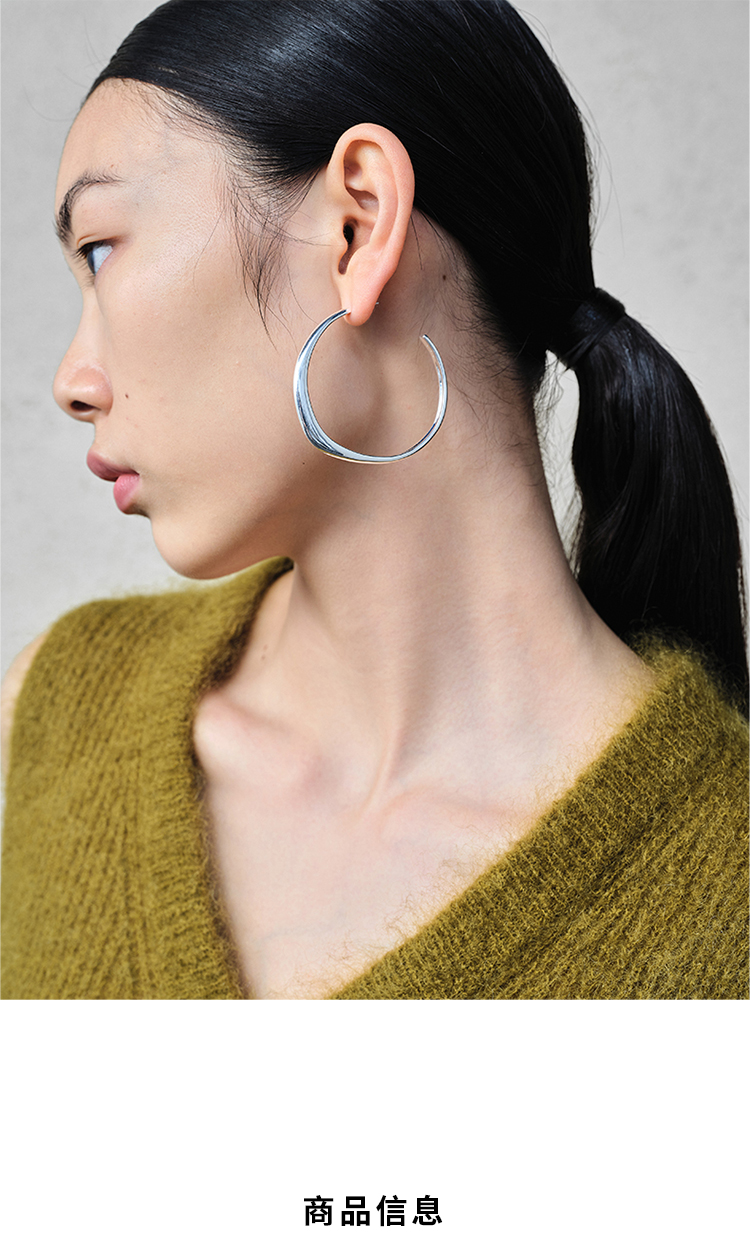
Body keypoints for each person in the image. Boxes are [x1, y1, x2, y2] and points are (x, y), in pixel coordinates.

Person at [2, 0, 747, 1001]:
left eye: (101, 250)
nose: (73, 380)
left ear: (356, 223)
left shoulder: (725, 891)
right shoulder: (56, 714)